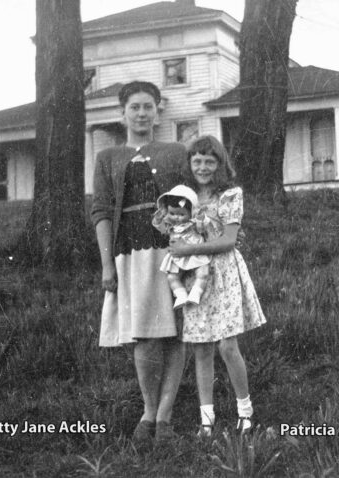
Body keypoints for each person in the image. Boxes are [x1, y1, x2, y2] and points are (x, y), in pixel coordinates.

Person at [91, 80, 192, 445]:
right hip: (130, 254)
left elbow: (191, 202)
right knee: (145, 336)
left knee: (177, 333)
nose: (141, 113)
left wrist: (187, 249)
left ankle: (164, 418)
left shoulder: (176, 151)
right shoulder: (107, 157)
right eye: (134, 107)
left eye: (148, 106)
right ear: (123, 113)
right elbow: (101, 211)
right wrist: (106, 266)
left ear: (158, 110)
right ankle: (148, 411)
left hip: (173, 251)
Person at [167, 135, 267, 436]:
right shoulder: (184, 196)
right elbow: (171, 229)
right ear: (189, 164)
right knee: (201, 348)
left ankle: (245, 412)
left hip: (223, 273)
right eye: (196, 160)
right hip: (195, 275)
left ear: (220, 163)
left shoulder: (229, 194)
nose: (203, 167)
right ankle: (206, 420)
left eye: (210, 161)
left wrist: (185, 249)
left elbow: (228, 239)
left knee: (227, 344)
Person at [152, 185, 223, 309]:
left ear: (191, 213)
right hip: (179, 256)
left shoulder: (192, 224)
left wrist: (200, 218)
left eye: (181, 214)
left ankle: (196, 292)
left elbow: (203, 227)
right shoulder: (171, 226)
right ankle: (181, 295)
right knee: (172, 277)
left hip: (195, 252)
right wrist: (159, 219)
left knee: (203, 273)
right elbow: (162, 229)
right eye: (172, 213)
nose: (176, 217)